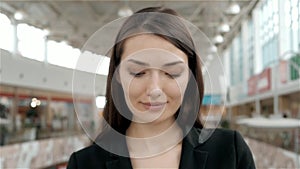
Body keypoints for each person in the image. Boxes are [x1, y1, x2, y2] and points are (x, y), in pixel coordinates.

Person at [67, 7, 256, 169]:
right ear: (117, 76)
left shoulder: (229, 152)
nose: (154, 89)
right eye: (138, 72)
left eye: (172, 73)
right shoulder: (84, 164)